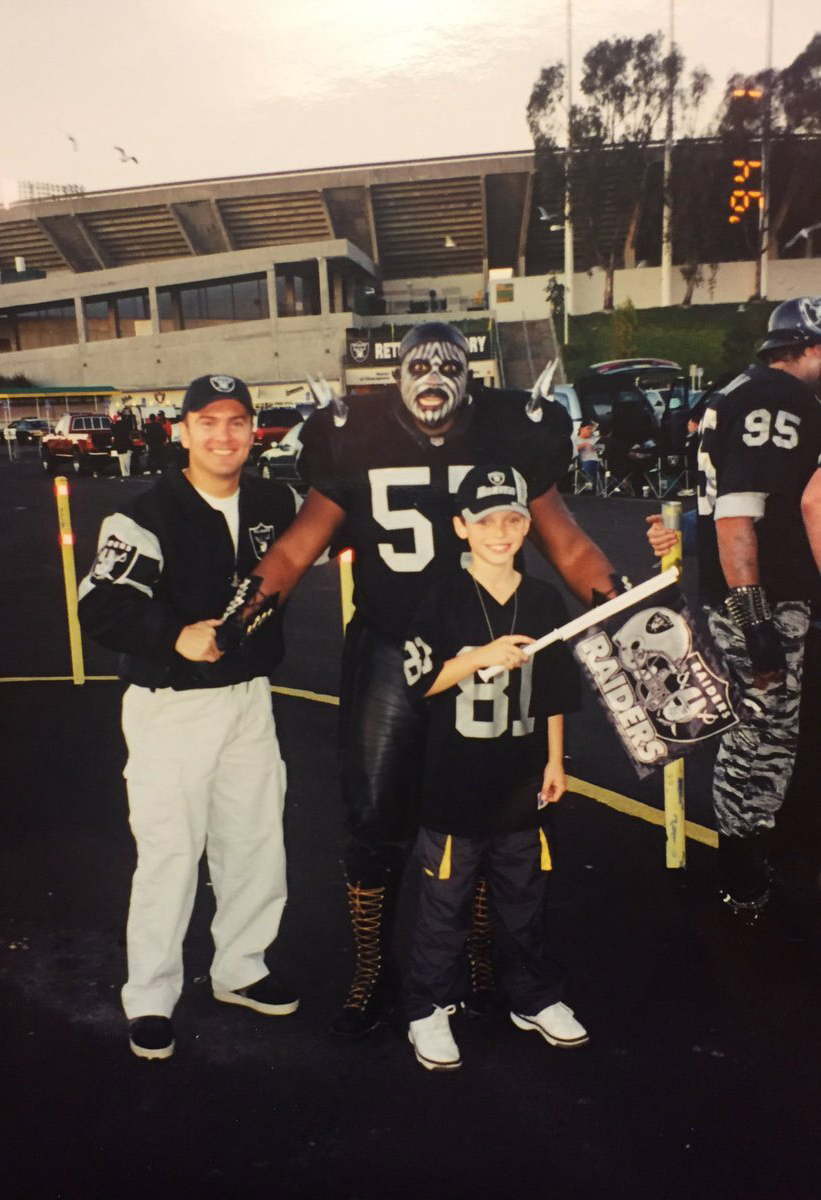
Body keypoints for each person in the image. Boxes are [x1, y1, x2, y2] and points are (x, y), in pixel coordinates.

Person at [217, 321, 621, 1039]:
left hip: (491, 643)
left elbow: (566, 542)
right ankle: (374, 966)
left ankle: (477, 960)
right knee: (374, 816)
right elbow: (299, 545)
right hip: (392, 645)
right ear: (396, 373)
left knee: (495, 804)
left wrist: (619, 602)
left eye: (449, 362)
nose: (434, 374)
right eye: (419, 363)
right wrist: (241, 608)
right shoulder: (356, 430)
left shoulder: (511, 428)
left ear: (472, 371)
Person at [78, 373, 300, 1060]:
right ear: (182, 431)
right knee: (172, 852)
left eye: (237, 421)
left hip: (249, 700)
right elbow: (101, 605)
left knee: (256, 841)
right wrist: (173, 635)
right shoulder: (146, 513)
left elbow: (343, 517)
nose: (223, 435)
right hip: (171, 707)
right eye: (208, 421)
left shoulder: (276, 500)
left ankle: (241, 967)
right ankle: (150, 993)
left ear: (253, 430)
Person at [402, 465, 585, 1071]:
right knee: (443, 904)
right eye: (485, 521)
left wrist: (556, 761)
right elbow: (421, 679)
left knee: (525, 898)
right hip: (455, 785)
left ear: (528, 526)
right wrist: (480, 656)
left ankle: (534, 997)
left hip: (521, 782)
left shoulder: (541, 599)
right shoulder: (442, 596)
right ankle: (429, 1007)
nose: (500, 532)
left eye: (512, 519)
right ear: (462, 528)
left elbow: (555, 693)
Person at [647, 298, 821, 920]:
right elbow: (745, 512)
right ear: (809, 347)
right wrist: (756, 617)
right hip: (764, 596)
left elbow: (731, 505)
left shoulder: (736, 392)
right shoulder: (782, 401)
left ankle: (748, 853)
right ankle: (740, 866)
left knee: (764, 729)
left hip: (750, 592)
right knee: (758, 731)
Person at [576, 421, 601, 492]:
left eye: (592, 429)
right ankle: (593, 487)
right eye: (588, 428)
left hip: (600, 460)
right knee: (589, 464)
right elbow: (572, 451)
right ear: (581, 429)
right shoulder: (576, 439)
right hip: (587, 461)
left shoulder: (595, 439)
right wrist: (584, 445)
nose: (590, 431)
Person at [111, 409, 134, 479]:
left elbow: (113, 430)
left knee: (122, 460)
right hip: (126, 445)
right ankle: (127, 473)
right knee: (127, 460)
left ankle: (124, 473)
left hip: (120, 445)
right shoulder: (127, 424)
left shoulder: (116, 426)